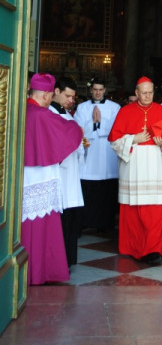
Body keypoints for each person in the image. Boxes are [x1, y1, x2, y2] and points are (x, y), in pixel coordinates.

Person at [108, 76, 162, 264]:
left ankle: (154, 250)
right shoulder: (125, 111)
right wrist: (133, 139)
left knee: (154, 211)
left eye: (150, 93)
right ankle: (133, 247)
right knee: (133, 210)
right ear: (137, 93)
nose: (148, 96)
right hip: (132, 167)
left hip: (154, 166)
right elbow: (114, 142)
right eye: (144, 93)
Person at [21, 73, 83, 285]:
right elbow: (72, 130)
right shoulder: (43, 114)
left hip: (25, 177)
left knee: (26, 225)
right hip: (42, 176)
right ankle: (41, 271)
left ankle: (26, 271)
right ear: (47, 95)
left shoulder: (22, 110)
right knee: (43, 226)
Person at [49, 76, 87, 267]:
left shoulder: (68, 115)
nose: (71, 100)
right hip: (59, 174)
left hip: (71, 174)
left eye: (73, 97)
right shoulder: (49, 113)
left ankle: (69, 259)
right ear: (56, 92)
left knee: (70, 217)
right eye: (68, 96)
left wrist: (81, 142)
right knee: (61, 218)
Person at [74, 77, 120, 232]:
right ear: (91, 90)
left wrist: (100, 123)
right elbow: (77, 130)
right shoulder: (82, 107)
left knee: (106, 189)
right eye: (95, 90)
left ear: (105, 90)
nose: (98, 93)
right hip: (90, 153)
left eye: (101, 90)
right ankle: (86, 222)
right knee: (88, 187)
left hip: (107, 154)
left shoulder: (115, 107)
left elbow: (117, 130)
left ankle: (105, 224)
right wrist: (93, 123)